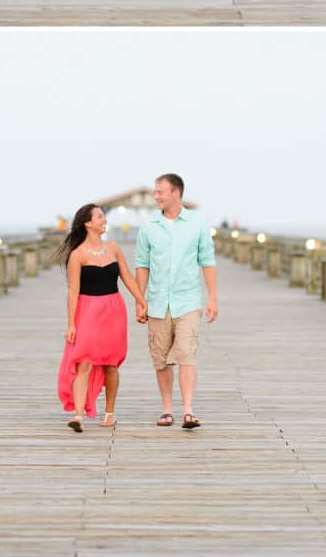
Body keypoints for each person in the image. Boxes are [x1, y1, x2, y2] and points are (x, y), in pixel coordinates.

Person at [134, 173, 218, 430]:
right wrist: (140, 300)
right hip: (157, 301)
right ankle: (167, 409)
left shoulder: (197, 223)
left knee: (186, 354)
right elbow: (142, 264)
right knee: (160, 359)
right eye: (155, 192)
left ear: (176, 193)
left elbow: (207, 260)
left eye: (160, 192)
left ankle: (188, 410)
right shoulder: (149, 226)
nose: (156, 196)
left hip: (188, 300)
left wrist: (212, 297)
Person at [55, 203, 148, 431]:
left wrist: (140, 300)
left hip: (113, 309)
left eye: (103, 216)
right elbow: (73, 291)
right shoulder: (77, 255)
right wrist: (71, 324)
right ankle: (78, 416)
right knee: (83, 361)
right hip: (87, 311)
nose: (104, 220)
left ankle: (109, 412)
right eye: (99, 217)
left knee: (110, 364)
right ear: (88, 223)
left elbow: (126, 277)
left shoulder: (114, 247)